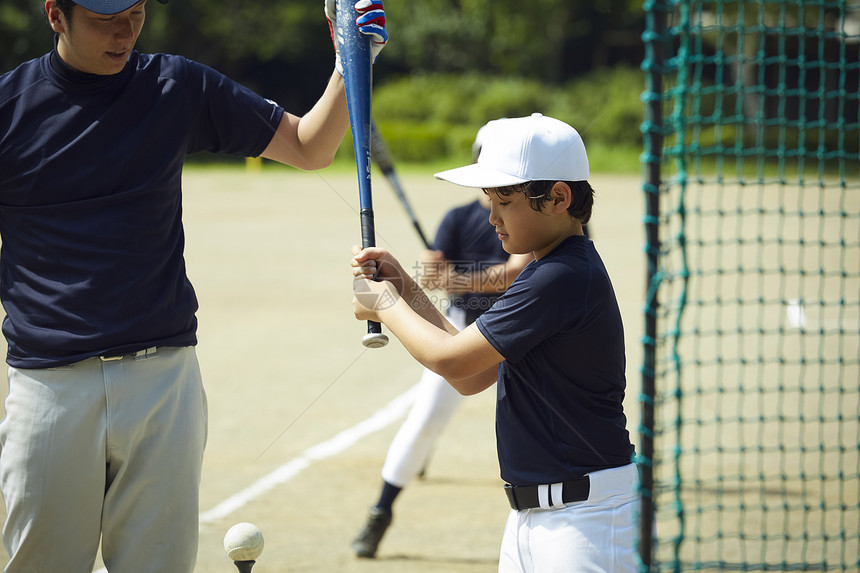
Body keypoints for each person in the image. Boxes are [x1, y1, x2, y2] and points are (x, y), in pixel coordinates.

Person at [0, 0, 387, 571]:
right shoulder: (8, 107)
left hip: (165, 380)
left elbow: (309, 147)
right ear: (57, 15)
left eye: (135, 11)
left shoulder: (175, 84)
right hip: (50, 387)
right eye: (105, 17)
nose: (124, 29)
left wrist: (351, 62)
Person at [350, 113, 638, 572]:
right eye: (488, 199)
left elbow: (450, 361)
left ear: (559, 197)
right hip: (533, 517)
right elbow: (475, 375)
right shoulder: (552, 267)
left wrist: (383, 305)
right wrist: (404, 286)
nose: (491, 216)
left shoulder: (560, 275)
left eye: (504, 200)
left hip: (584, 520)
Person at [351, 187, 532, 558]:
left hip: (516, 335)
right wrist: (411, 277)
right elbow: (433, 280)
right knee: (425, 421)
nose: (496, 214)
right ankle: (380, 512)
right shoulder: (458, 218)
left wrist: (452, 282)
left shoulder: (536, 227)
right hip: (462, 328)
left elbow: (515, 273)